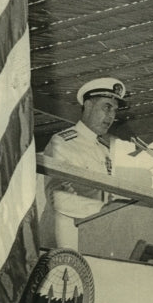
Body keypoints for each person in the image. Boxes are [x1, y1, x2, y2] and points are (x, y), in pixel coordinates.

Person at [44, 77, 129, 249]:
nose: (111, 116)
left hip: (97, 233)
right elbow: (59, 196)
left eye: (114, 110)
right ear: (89, 105)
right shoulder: (62, 142)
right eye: (107, 107)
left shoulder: (103, 150)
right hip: (67, 235)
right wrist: (103, 210)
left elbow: (107, 195)